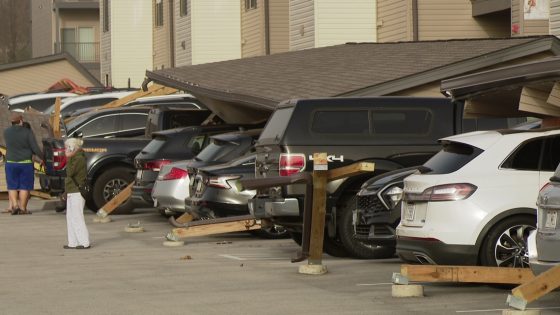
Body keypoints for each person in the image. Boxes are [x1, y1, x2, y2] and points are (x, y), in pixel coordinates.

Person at [3, 112, 43, 215]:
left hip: (10, 162)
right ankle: (22, 208)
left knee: (12, 186)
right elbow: (35, 148)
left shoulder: (6, 132)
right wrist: (43, 158)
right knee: (24, 186)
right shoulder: (27, 132)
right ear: (21, 121)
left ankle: (15, 206)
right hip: (25, 163)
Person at [63, 137, 90, 249]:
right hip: (71, 190)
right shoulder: (75, 158)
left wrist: (68, 157)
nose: (65, 150)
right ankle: (73, 242)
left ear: (72, 148)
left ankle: (84, 242)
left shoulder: (78, 159)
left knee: (77, 217)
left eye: (67, 148)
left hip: (77, 192)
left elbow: (69, 172)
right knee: (70, 217)